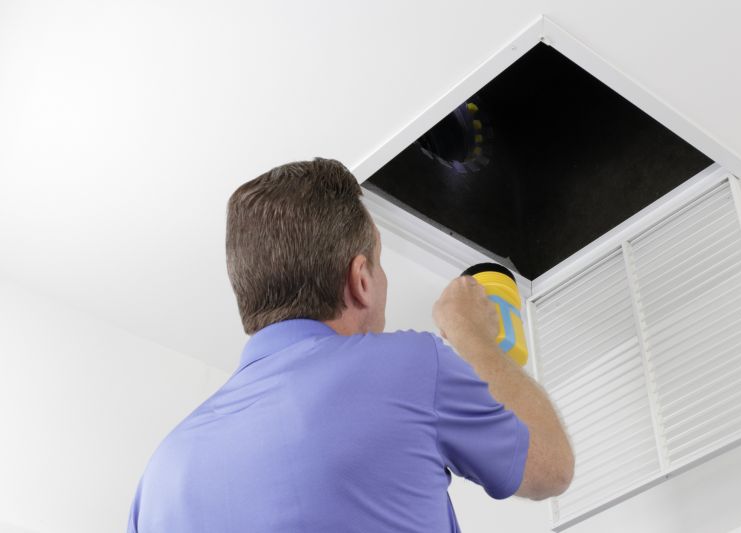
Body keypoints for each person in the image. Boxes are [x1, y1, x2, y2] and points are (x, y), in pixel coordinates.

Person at [127, 158, 574, 532]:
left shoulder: (160, 475)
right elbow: (550, 468)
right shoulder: (409, 367)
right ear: (360, 280)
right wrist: (469, 331)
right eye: (379, 264)